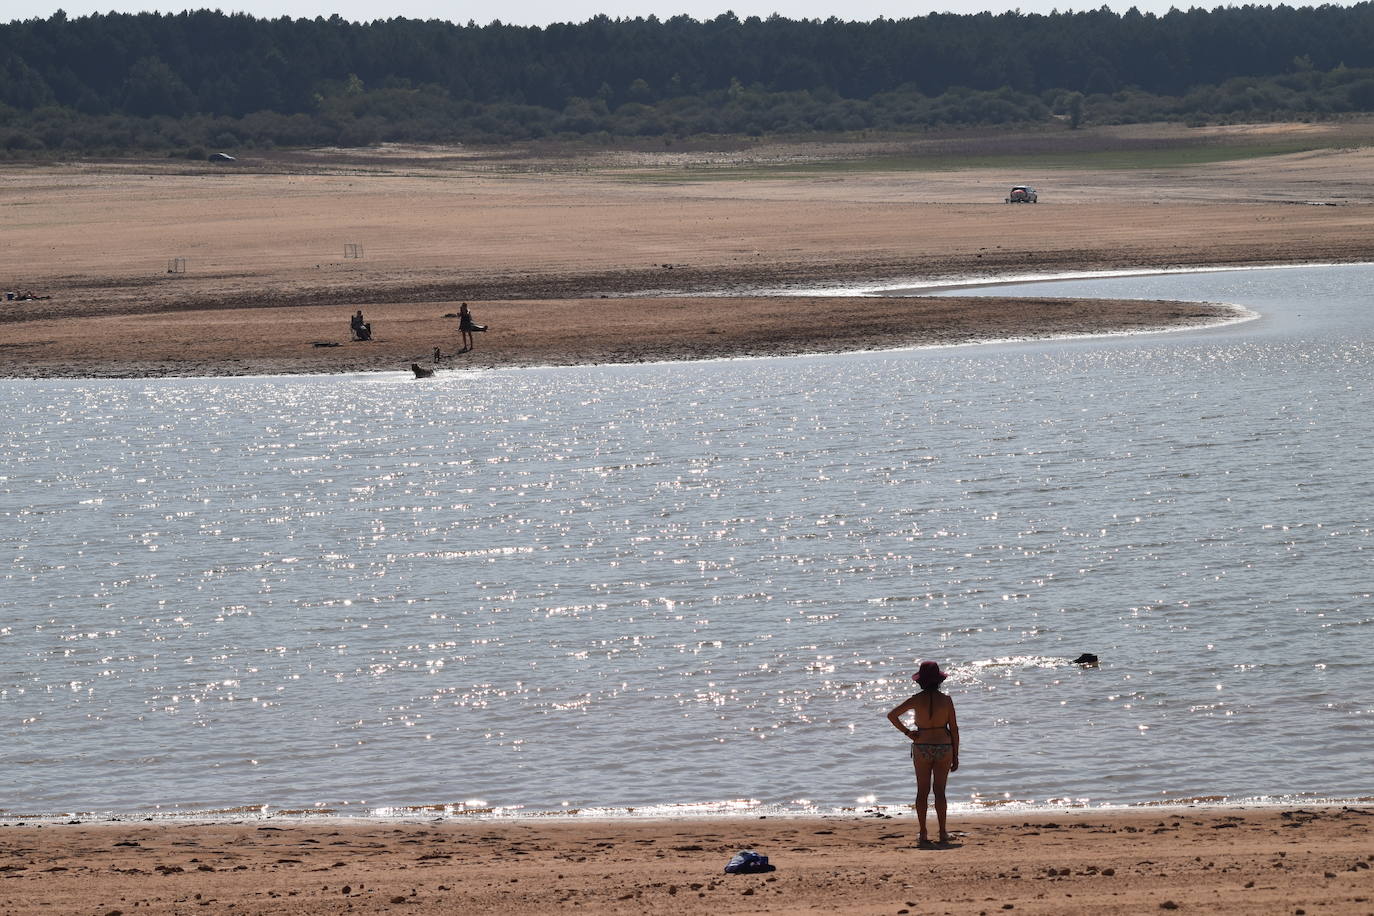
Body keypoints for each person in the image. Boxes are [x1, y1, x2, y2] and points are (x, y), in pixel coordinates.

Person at [886, 660, 960, 846]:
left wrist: (908, 732)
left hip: (922, 746)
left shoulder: (916, 699)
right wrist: (956, 754)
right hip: (944, 746)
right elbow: (955, 729)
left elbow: (892, 715)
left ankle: (923, 833)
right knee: (940, 792)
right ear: (939, 680)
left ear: (921, 681)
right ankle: (943, 833)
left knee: (922, 791)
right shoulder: (946, 700)